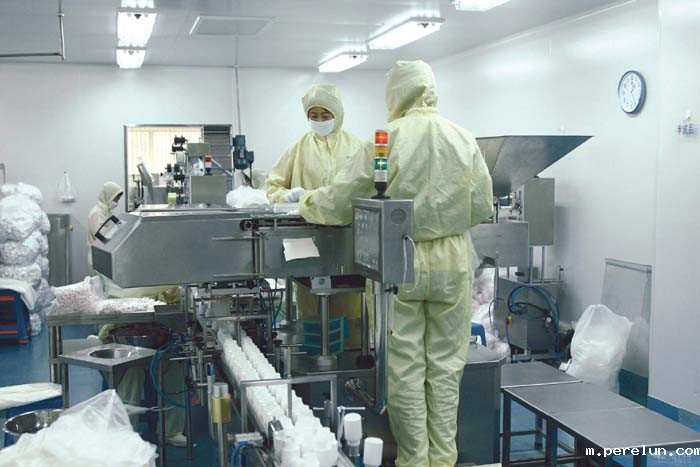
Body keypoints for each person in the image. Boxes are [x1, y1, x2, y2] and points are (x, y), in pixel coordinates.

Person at [298, 61, 493, 467]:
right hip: (454, 259)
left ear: (396, 93)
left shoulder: (386, 140)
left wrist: (306, 202)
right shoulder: (463, 137)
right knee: (446, 366)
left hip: (401, 258)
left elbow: (340, 201)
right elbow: (481, 206)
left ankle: (414, 459)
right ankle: (443, 459)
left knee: (405, 367)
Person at [87, 182, 187, 447]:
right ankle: (125, 430)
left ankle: (170, 430)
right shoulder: (125, 264)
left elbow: (170, 290)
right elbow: (143, 290)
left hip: (158, 332)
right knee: (132, 372)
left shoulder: (158, 264)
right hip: (123, 334)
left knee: (175, 367)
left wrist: (173, 293)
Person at [267, 84, 365, 345]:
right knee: (310, 305)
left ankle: (351, 356)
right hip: (305, 238)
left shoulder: (358, 147)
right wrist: (286, 196)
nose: (320, 121)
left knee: (351, 306)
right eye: (314, 116)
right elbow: (272, 187)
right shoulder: (298, 148)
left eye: (325, 115)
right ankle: (313, 359)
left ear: (338, 113)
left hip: (347, 239)